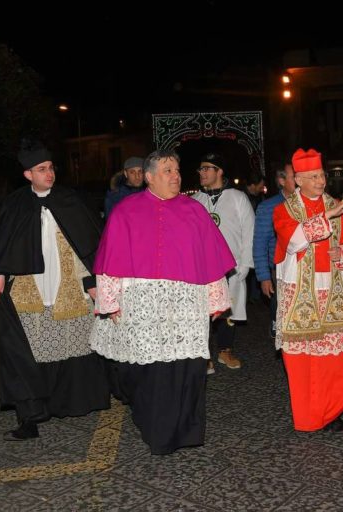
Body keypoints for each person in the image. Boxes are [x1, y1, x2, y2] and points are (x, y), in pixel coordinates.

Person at [90, 149, 234, 454]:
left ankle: (186, 431)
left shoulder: (194, 211)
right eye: (168, 170)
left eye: (177, 170)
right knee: (146, 370)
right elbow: (110, 258)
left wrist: (216, 299)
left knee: (189, 367)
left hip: (186, 305)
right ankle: (157, 429)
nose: (176, 176)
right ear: (150, 177)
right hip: (143, 304)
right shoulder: (126, 211)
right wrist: (111, 301)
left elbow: (210, 259)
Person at [0, 141, 110, 440]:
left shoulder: (71, 200)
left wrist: (91, 282)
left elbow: (89, 244)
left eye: (51, 168)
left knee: (72, 348)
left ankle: (70, 403)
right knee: (26, 353)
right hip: (30, 288)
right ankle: (30, 417)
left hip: (67, 286)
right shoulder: (14, 205)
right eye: (42, 169)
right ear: (28, 174)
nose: (49, 173)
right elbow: (0, 244)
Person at [274, 148, 343, 433]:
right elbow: (293, 241)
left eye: (322, 175)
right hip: (299, 292)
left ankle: (334, 410)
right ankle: (312, 414)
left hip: (334, 288)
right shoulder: (283, 209)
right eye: (315, 176)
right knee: (306, 362)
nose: (321, 181)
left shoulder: (337, 205)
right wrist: (325, 217)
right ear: (299, 180)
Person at [192, 152, 254, 372]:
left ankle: (225, 351)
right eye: (200, 169)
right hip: (203, 268)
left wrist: (245, 264)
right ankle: (205, 355)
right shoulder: (195, 201)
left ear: (220, 171)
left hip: (231, 266)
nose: (202, 173)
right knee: (204, 311)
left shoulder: (237, 198)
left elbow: (249, 232)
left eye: (207, 168)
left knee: (229, 309)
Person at [253, 163, 295, 339]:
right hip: (279, 271)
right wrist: (264, 277)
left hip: (307, 269)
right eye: (294, 177)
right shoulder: (269, 207)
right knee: (282, 321)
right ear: (281, 180)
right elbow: (259, 243)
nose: (300, 181)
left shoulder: (311, 203)